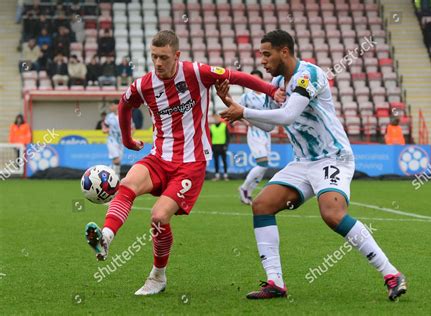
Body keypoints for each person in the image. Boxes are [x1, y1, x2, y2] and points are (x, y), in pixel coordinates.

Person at [84, 30, 284, 296]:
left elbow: (236, 77)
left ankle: (157, 276)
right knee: (127, 184)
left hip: (191, 163)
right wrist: (129, 139)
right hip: (158, 157)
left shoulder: (197, 73)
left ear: (176, 55)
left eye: (163, 57)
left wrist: (272, 89)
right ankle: (106, 237)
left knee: (158, 216)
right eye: (153, 56)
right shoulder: (143, 84)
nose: (158, 63)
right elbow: (124, 105)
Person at [218, 30, 406, 301]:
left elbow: (288, 115)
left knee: (332, 214)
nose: (262, 60)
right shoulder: (277, 82)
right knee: (262, 205)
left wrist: (244, 112)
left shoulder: (309, 75)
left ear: (285, 51)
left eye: (267, 54)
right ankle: (275, 283)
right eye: (261, 54)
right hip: (303, 162)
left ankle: (391, 273)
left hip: (332, 157)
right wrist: (232, 105)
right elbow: (271, 124)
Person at [234, 70, 272, 204]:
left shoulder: (267, 96)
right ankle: (244, 188)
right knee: (263, 163)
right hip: (255, 132)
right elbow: (236, 111)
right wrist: (247, 122)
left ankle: (248, 194)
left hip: (266, 133)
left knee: (264, 166)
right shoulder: (246, 97)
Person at [102, 100, 125, 178]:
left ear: (117, 105)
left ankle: (110, 174)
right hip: (112, 140)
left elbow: (132, 128)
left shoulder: (124, 115)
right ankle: (116, 178)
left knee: (117, 162)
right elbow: (104, 127)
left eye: (111, 105)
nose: (110, 107)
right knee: (117, 159)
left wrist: (127, 137)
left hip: (121, 142)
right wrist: (106, 130)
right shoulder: (109, 117)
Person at [210, 114, 230, 181]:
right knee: (216, 161)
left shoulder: (224, 126)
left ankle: (225, 175)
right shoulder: (212, 127)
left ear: (219, 119)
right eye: (215, 118)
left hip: (222, 146)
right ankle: (217, 175)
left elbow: (228, 137)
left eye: (217, 118)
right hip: (215, 146)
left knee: (224, 161)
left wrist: (226, 145)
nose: (216, 120)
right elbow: (210, 137)